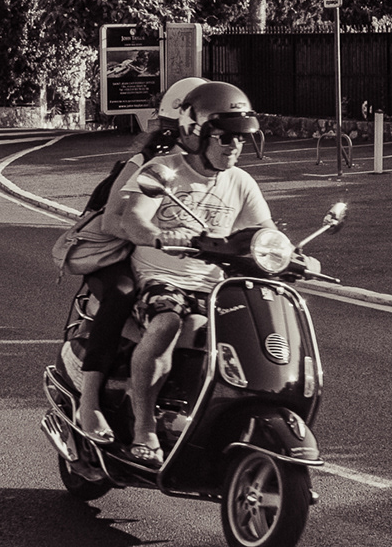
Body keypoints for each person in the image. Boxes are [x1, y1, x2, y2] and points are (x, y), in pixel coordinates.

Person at [110, 81, 275, 467]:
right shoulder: (163, 170)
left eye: (241, 139)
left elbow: (264, 231)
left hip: (214, 287)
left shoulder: (241, 182)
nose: (234, 147)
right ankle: (144, 426)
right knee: (167, 321)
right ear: (196, 133)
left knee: (255, 330)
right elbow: (133, 219)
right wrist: (160, 236)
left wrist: (293, 255)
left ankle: (216, 421)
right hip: (160, 279)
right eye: (225, 138)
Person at [72, 78, 207, 442]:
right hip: (115, 250)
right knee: (122, 292)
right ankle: (90, 402)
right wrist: (157, 236)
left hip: (166, 259)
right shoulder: (145, 162)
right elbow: (112, 222)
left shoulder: (207, 167)